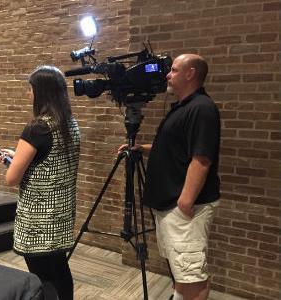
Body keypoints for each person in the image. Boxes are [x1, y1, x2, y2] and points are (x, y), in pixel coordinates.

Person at [119, 54, 220, 300]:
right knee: (181, 272)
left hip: (185, 207)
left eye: (174, 70)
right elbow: (177, 147)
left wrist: (185, 202)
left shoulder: (201, 109)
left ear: (190, 73)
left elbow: (202, 159)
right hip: (172, 204)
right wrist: (141, 148)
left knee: (192, 278)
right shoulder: (185, 107)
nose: (167, 75)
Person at [0, 66, 80, 300]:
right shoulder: (69, 124)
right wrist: (17, 156)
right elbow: (48, 161)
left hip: (39, 220)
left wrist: (11, 162)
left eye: (30, 88)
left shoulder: (37, 128)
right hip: (61, 213)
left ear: (40, 92)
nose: (28, 93)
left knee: (43, 276)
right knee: (60, 269)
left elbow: (12, 178)